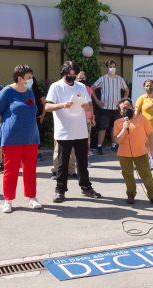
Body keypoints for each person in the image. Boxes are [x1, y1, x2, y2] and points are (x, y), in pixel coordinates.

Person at [45, 61, 101, 203]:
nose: (72, 77)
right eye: (69, 75)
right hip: (64, 131)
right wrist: (63, 105)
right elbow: (47, 107)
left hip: (81, 131)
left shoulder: (81, 86)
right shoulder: (56, 86)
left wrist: (85, 105)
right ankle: (60, 190)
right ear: (63, 73)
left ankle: (86, 187)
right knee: (63, 163)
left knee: (82, 162)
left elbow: (88, 106)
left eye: (74, 75)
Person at [0, 65, 42, 213]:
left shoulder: (29, 92)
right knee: (11, 170)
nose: (31, 80)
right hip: (12, 138)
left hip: (31, 137)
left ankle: (32, 198)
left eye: (31, 77)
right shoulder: (7, 91)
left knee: (30, 170)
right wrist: (9, 125)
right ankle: (8, 200)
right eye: (28, 78)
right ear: (19, 78)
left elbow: (33, 110)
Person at [113, 98, 153, 206]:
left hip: (141, 153)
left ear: (133, 107)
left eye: (128, 107)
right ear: (120, 112)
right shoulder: (118, 122)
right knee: (128, 175)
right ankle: (131, 195)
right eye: (124, 108)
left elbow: (150, 134)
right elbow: (117, 140)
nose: (127, 109)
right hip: (124, 154)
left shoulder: (142, 119)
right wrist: (124, 128)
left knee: (146, 175)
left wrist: (152, 149)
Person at [91, 59, 129, 155]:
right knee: (102, 128)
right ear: (107, 68)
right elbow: (91, 89)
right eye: (110, 66)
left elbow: (127, 90)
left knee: (114, 128)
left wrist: (123, 101)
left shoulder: (120, 79)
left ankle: (114, 145)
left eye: (114, 66)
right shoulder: (103, 78)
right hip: (105, 108)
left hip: (116, 108)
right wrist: (97, 101)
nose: (112, 68)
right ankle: (99, 146)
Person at [77, 71, 96, 167]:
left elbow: (91, 104)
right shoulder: (73, 88)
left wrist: (93, 116)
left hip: (87, 117)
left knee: (87, 139)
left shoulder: (88, 89)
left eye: (83, 78)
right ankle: (76, 160)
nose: (81, 79)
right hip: (76, 117)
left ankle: (86, 159)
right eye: (79, 77)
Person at [32, 76, 46, 161]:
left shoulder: (39, 91)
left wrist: (43, 115)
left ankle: (38, 153)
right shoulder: (23, 90)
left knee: (37, 136)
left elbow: (45, 104)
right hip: (26, 118)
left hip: (37, 117)